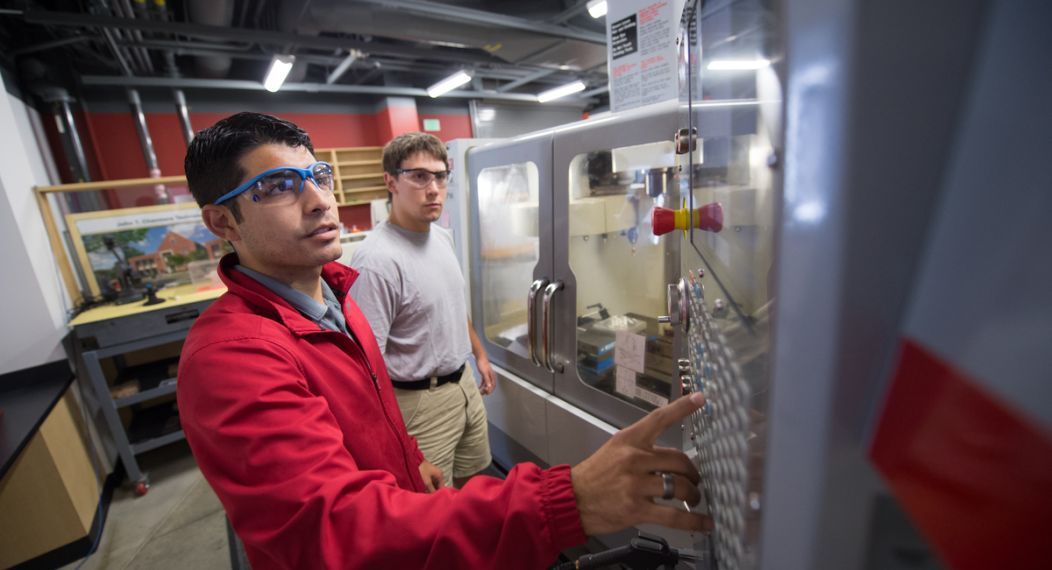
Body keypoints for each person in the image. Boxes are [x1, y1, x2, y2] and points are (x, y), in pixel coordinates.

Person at [177, 112, 712, 570]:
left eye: (317, 176)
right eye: (276, 187)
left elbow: (371, 398)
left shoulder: (335, 298)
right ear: (223, 220)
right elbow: (334, 533)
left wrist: (410, 458)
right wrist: (568, 500)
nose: (318, 201)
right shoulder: (233, 358)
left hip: (445, 416)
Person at [349, 132, 493, 489]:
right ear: (391, 181)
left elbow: (451, 304)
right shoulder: (377, 261)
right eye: (419, 176)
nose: (434, 189)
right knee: (434, 510)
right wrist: (409, 448)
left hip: (463, 386)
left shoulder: (440, 236)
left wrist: (479, 354)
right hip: (418, 406)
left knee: (476, 486)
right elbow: (367, 368)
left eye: (441, 176)